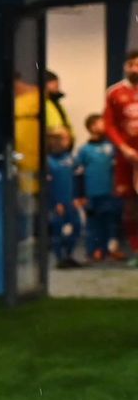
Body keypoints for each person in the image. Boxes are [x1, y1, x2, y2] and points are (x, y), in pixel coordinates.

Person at [102, 49, 138, 264]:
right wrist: (123, 148)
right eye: (131, 64)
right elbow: (109, 124)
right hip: (127, 159)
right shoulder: (115, 92)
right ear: (125, 67)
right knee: (130, 205)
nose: (135, 69)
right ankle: (135, 249)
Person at [76, 113, 124, 263]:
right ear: (92, 127)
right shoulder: (84, 150)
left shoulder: (112, 146)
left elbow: (119, 168)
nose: (105, 125)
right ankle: (95, 249)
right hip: (92, 193)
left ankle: (113, 248)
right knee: (94, 222)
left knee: (112, 221)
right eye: (101, 123)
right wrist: (80, 195)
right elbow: (79, 173)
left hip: (110, 191)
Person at [46, 126, 81, 269]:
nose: (64, 142)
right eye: (60, 138)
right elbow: (47, 186)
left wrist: (78, 197)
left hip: (71, 201)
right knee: (58, 229)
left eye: (66, 138)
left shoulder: (72, 159)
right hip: (57, 203)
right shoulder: (48, 161)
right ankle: (59, 257)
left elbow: (78, 179)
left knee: (76, 226)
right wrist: (55, 203)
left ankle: (69, 255)